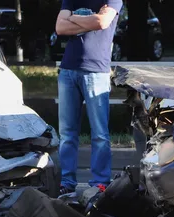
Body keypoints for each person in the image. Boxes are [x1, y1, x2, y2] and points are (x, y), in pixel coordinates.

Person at [55, 0, 123, 197]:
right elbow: (59, 27)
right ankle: (66, 182)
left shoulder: (113, 0)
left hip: (96, 72)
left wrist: (72, 18)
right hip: (68, 71)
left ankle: (100, 183)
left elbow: (102, 22)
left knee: (100, 134)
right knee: (67, 133)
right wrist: (89, 20)